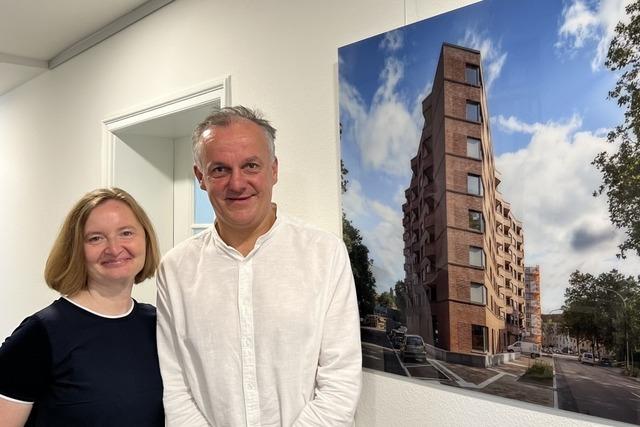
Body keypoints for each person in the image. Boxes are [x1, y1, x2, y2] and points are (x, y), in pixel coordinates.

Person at [157, 106, 362, 426]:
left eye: (250, 165)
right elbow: (176, 385)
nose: (237, 183)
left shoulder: (325, 254)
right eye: (220, 170)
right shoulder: (175, 269)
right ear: (200, 177)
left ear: (274, 169)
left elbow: (341, 381)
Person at [0, 188, 165, 427]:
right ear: (76, 249)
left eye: (126, 233)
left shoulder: (158, 325)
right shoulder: (40, 334)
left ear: (146, 239)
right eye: (95, 238)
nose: (114, 248)